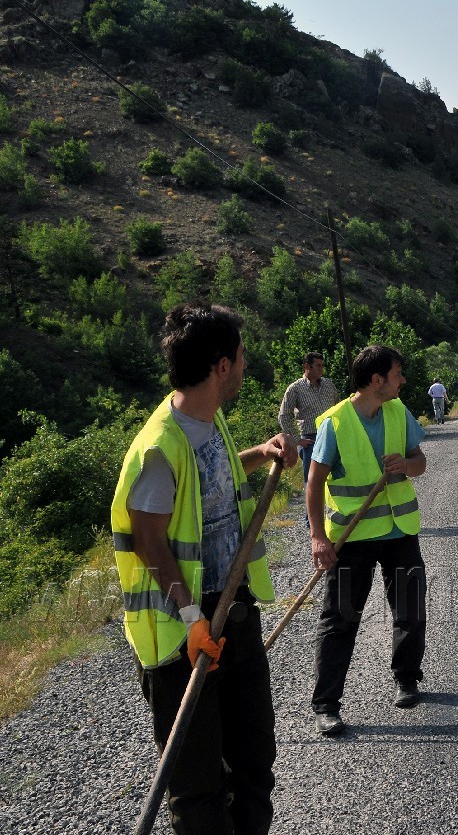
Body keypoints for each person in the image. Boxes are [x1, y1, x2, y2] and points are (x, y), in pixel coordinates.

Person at [110, 302, 297, 835]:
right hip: (181, 637)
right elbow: (148, 537)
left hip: (234, 616)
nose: (243, 366)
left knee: (255, 761)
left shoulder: (206, 422)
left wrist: (261, 452)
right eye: (240, 358)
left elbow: (207, 486)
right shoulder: (157, 447)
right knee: (197, 787)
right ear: (220, 366)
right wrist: (192, 616)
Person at [308, 345, 428, 736]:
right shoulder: (335, 424)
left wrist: (406, 466)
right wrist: (317, 538)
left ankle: (407, 678)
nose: (403, 380)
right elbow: (313, 484)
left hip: (398, 533)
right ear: (376, 380)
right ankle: (326, 704)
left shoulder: (397, 411)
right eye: (397, 374)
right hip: (351, 538)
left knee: (409, 608)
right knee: (340, 618)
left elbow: (420, 462)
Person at [277, 352, 339, 526]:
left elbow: (340, 407)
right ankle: (311, 520)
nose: (321, 369)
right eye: (318, 365)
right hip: (311, 439)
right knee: (312, 480)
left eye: (322, 365)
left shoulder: (329, 385)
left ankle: (337, 515)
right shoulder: (295, 388)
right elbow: (283, 415)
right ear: (307, 367)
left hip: (333, 436)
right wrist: (297, 440)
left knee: (337, 476)